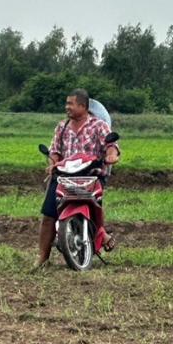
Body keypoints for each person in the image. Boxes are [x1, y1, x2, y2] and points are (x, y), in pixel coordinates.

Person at [35, 89, 121, 268]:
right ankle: (42, 257)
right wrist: (53, 163)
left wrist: (112, 155)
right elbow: (55, 151)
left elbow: (111, 145)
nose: (67, 107)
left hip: (90, 175)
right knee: (49, 216)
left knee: (95, 205)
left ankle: (101, 232)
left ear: (83, 106)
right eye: (66, 104)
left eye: (71, 104)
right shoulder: (62, 127)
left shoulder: (99, 126)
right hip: (65, 176)